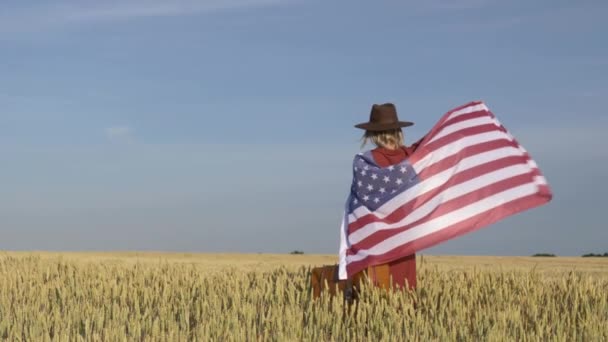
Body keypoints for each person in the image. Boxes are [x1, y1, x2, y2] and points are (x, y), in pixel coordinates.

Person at [352, 103, 421, 290]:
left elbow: (356, 204)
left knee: (374, 292)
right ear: (399, 131)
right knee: (404, 291)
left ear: (372, 134)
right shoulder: (414, 157)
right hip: (405, 237)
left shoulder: (364, 162)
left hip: (375, 239)